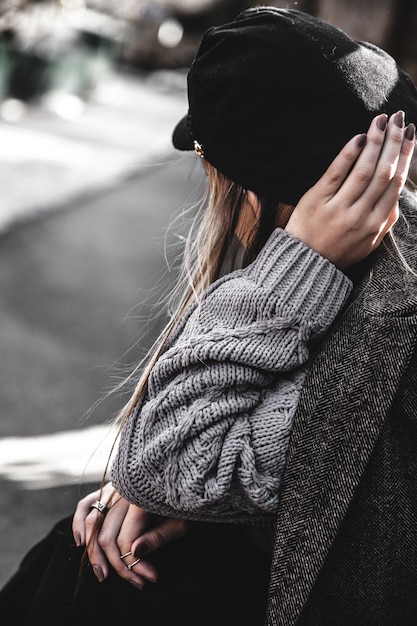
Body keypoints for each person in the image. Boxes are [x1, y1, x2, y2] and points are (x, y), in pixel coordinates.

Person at [1, 6, 417, 625]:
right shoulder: (382, 272)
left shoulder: (392, 317)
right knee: (79, 549)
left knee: (81, 572)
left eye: (213, 172)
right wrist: (178, 503)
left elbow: (172, 458)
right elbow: (203, 463)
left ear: (258, 192)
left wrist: (299, 263)